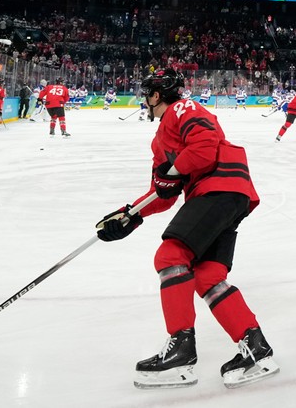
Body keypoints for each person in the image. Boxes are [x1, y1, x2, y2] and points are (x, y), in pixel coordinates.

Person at [95, 69, 278, 389]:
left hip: (219, 189)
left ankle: (180, 349)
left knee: (169, 257)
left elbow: (205, 146)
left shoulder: (182, 109)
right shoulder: (160, 140)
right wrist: (130, 216)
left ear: (156, 96)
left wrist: (174, 169)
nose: (144, 101)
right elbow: (163, 193)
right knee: (208, 277)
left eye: (146, 95)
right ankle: (256, 350)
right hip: (229, 197)